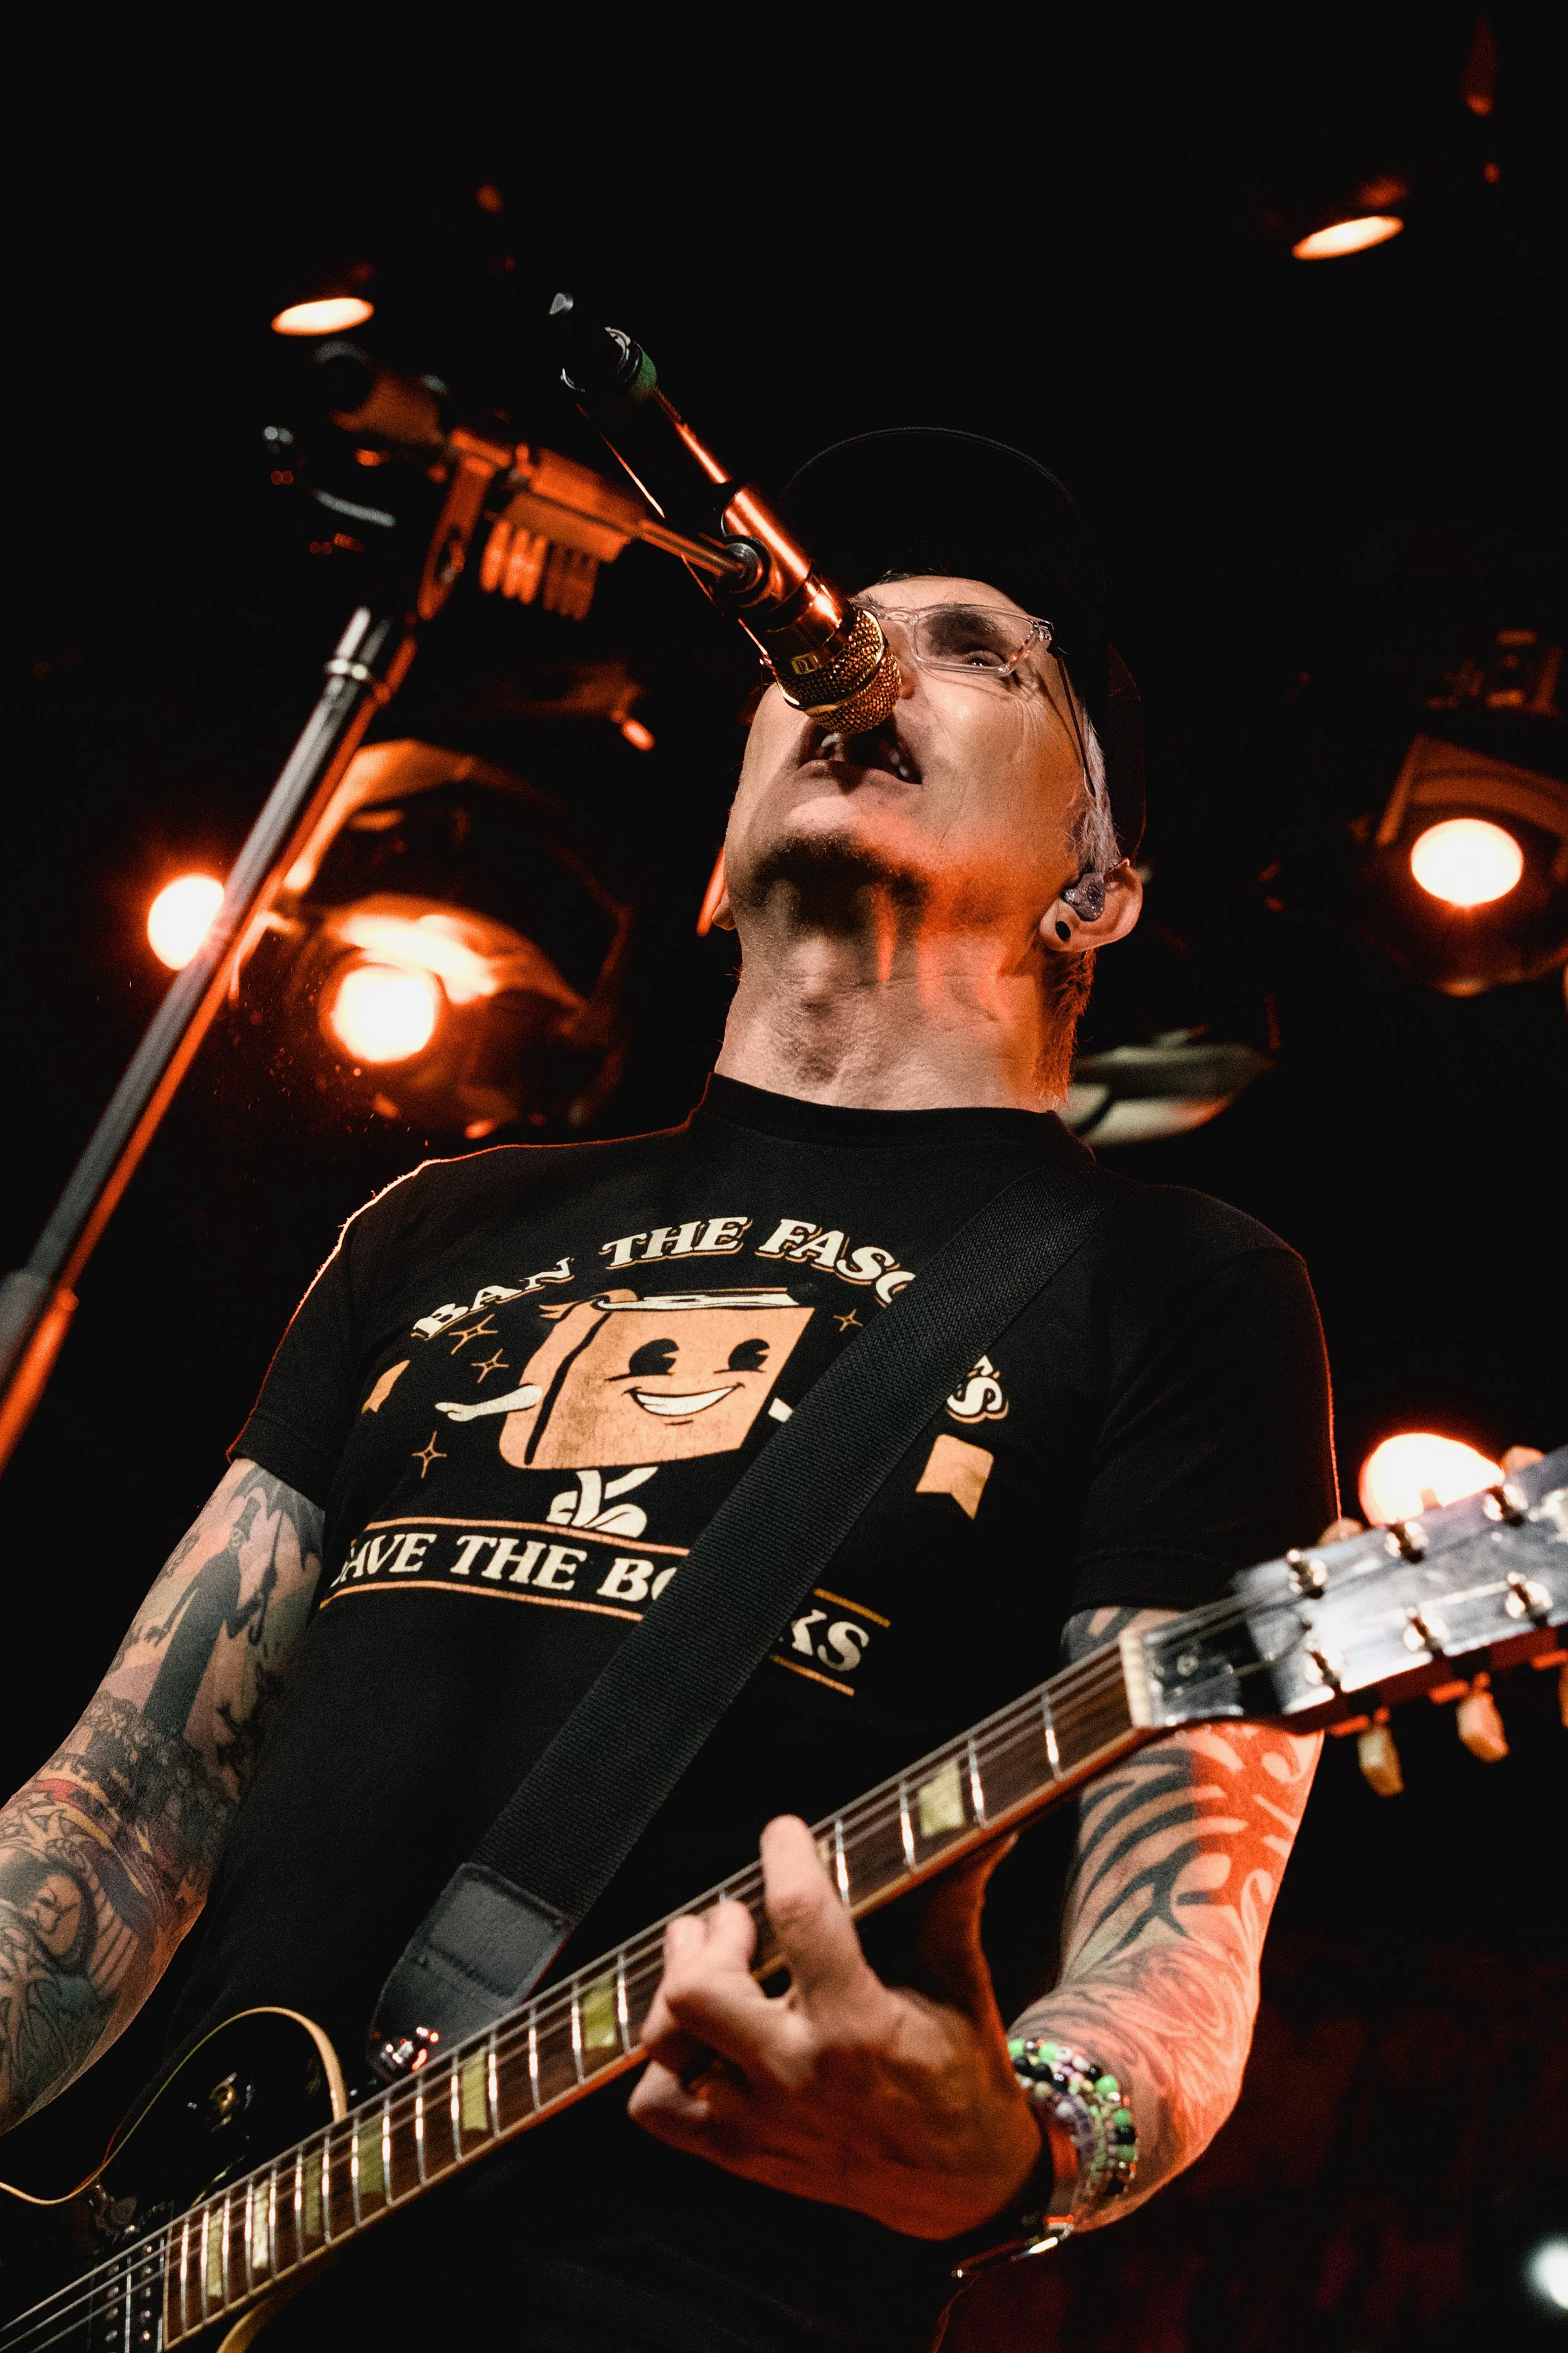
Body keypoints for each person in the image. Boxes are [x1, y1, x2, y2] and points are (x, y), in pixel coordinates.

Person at [0, 432, 1338, 2353]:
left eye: (970, 650)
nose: (855, 670)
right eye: (822, 645)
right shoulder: (436, 1227)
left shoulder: (1174, 1286)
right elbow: (126, 1802)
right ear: (711, 860)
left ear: (1098, 886)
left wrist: (1011, 2147)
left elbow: (1177, 1921)